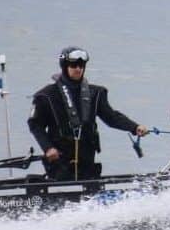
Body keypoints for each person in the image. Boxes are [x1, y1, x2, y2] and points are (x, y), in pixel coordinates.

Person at [28, 46, 148, 181]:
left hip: (87, 156)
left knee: (89, 184)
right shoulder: (46, 95)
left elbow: (111, 117)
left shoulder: (96, 93)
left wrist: (134, 127)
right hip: (59, 157)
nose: (78, 69)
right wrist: (48, 148)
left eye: (81, 66)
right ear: (64, 67)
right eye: (74, 65)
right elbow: (35, 125)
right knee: (63, 182)